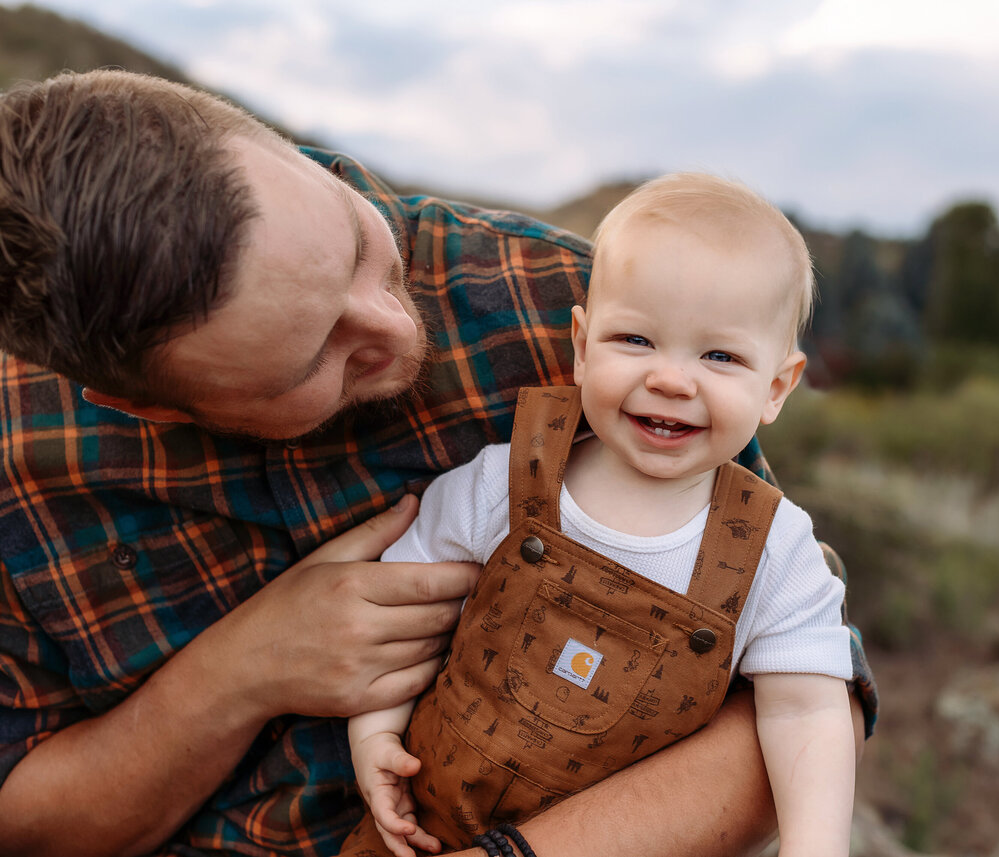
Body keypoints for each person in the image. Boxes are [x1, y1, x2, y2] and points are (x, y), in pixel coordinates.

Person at [0, 69, 877, 857]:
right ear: (148, 407)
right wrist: (240, 673)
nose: (395, 326)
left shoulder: (572, 299)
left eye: (356, 245)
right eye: (318, 359)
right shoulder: (24, 463)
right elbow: (28, 822)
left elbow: (792, 692)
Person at [349, 173, 855, 857]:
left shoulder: (774, 547)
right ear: (583, 347)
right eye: (637, 341)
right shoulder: (506, 477)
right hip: (428, 830)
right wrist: (375, 731)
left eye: (719, 355)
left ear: (776, 387)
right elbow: (397, 618)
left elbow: (808, 708)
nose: (672, 379)